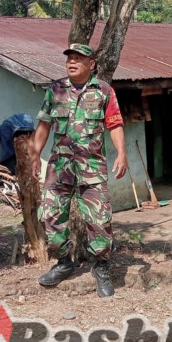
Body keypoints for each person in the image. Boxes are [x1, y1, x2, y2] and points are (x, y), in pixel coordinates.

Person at [31, 44, 127, 298]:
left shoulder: (104, 90)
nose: (71, 62)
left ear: (92, 63)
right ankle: (64, 262)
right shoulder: (56, 89)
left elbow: (115, 124)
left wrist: (122, 153)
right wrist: (34, 155)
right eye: (69, 58)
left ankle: (102, 267)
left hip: (92, 166)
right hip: (59, 165)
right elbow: (44, 123)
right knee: (50, 214)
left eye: (78, 58)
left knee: (99, 220)